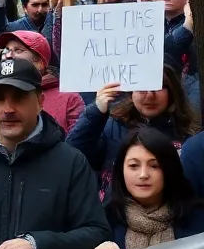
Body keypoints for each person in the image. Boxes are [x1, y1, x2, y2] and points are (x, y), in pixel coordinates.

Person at [0, 58, 110, 249]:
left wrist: (36, 246)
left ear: (40, 102)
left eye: (19, 97)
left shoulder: (71, 162)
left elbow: (96, 233)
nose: (8, 109)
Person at [67, 64, 199, 199]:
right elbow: (74, 153)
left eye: (158, 87)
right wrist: (96, 112)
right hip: (114, 213)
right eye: (141, 87)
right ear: (131, 92)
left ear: (171, 92)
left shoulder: (188, 134)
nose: (149, 95)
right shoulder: (113, 127)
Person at [95, 128, 204, 249]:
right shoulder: (103, 223)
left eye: (154, 166)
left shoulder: (197, 220)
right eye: (134, 166)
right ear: (121, 170)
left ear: (170, 170)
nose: (143, 175)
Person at [0, 30, 83, 134]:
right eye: (6, 50)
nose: (8, 55)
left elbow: (79, 143)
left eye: (18, 50)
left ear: (40, 63)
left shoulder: (70, 98)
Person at [159, 0, 198, 107]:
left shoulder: (198, 24)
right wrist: (188, 25)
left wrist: (190, 21)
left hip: (191, 90)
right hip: (158, 92)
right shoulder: (149, 24)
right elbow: (165, 49)